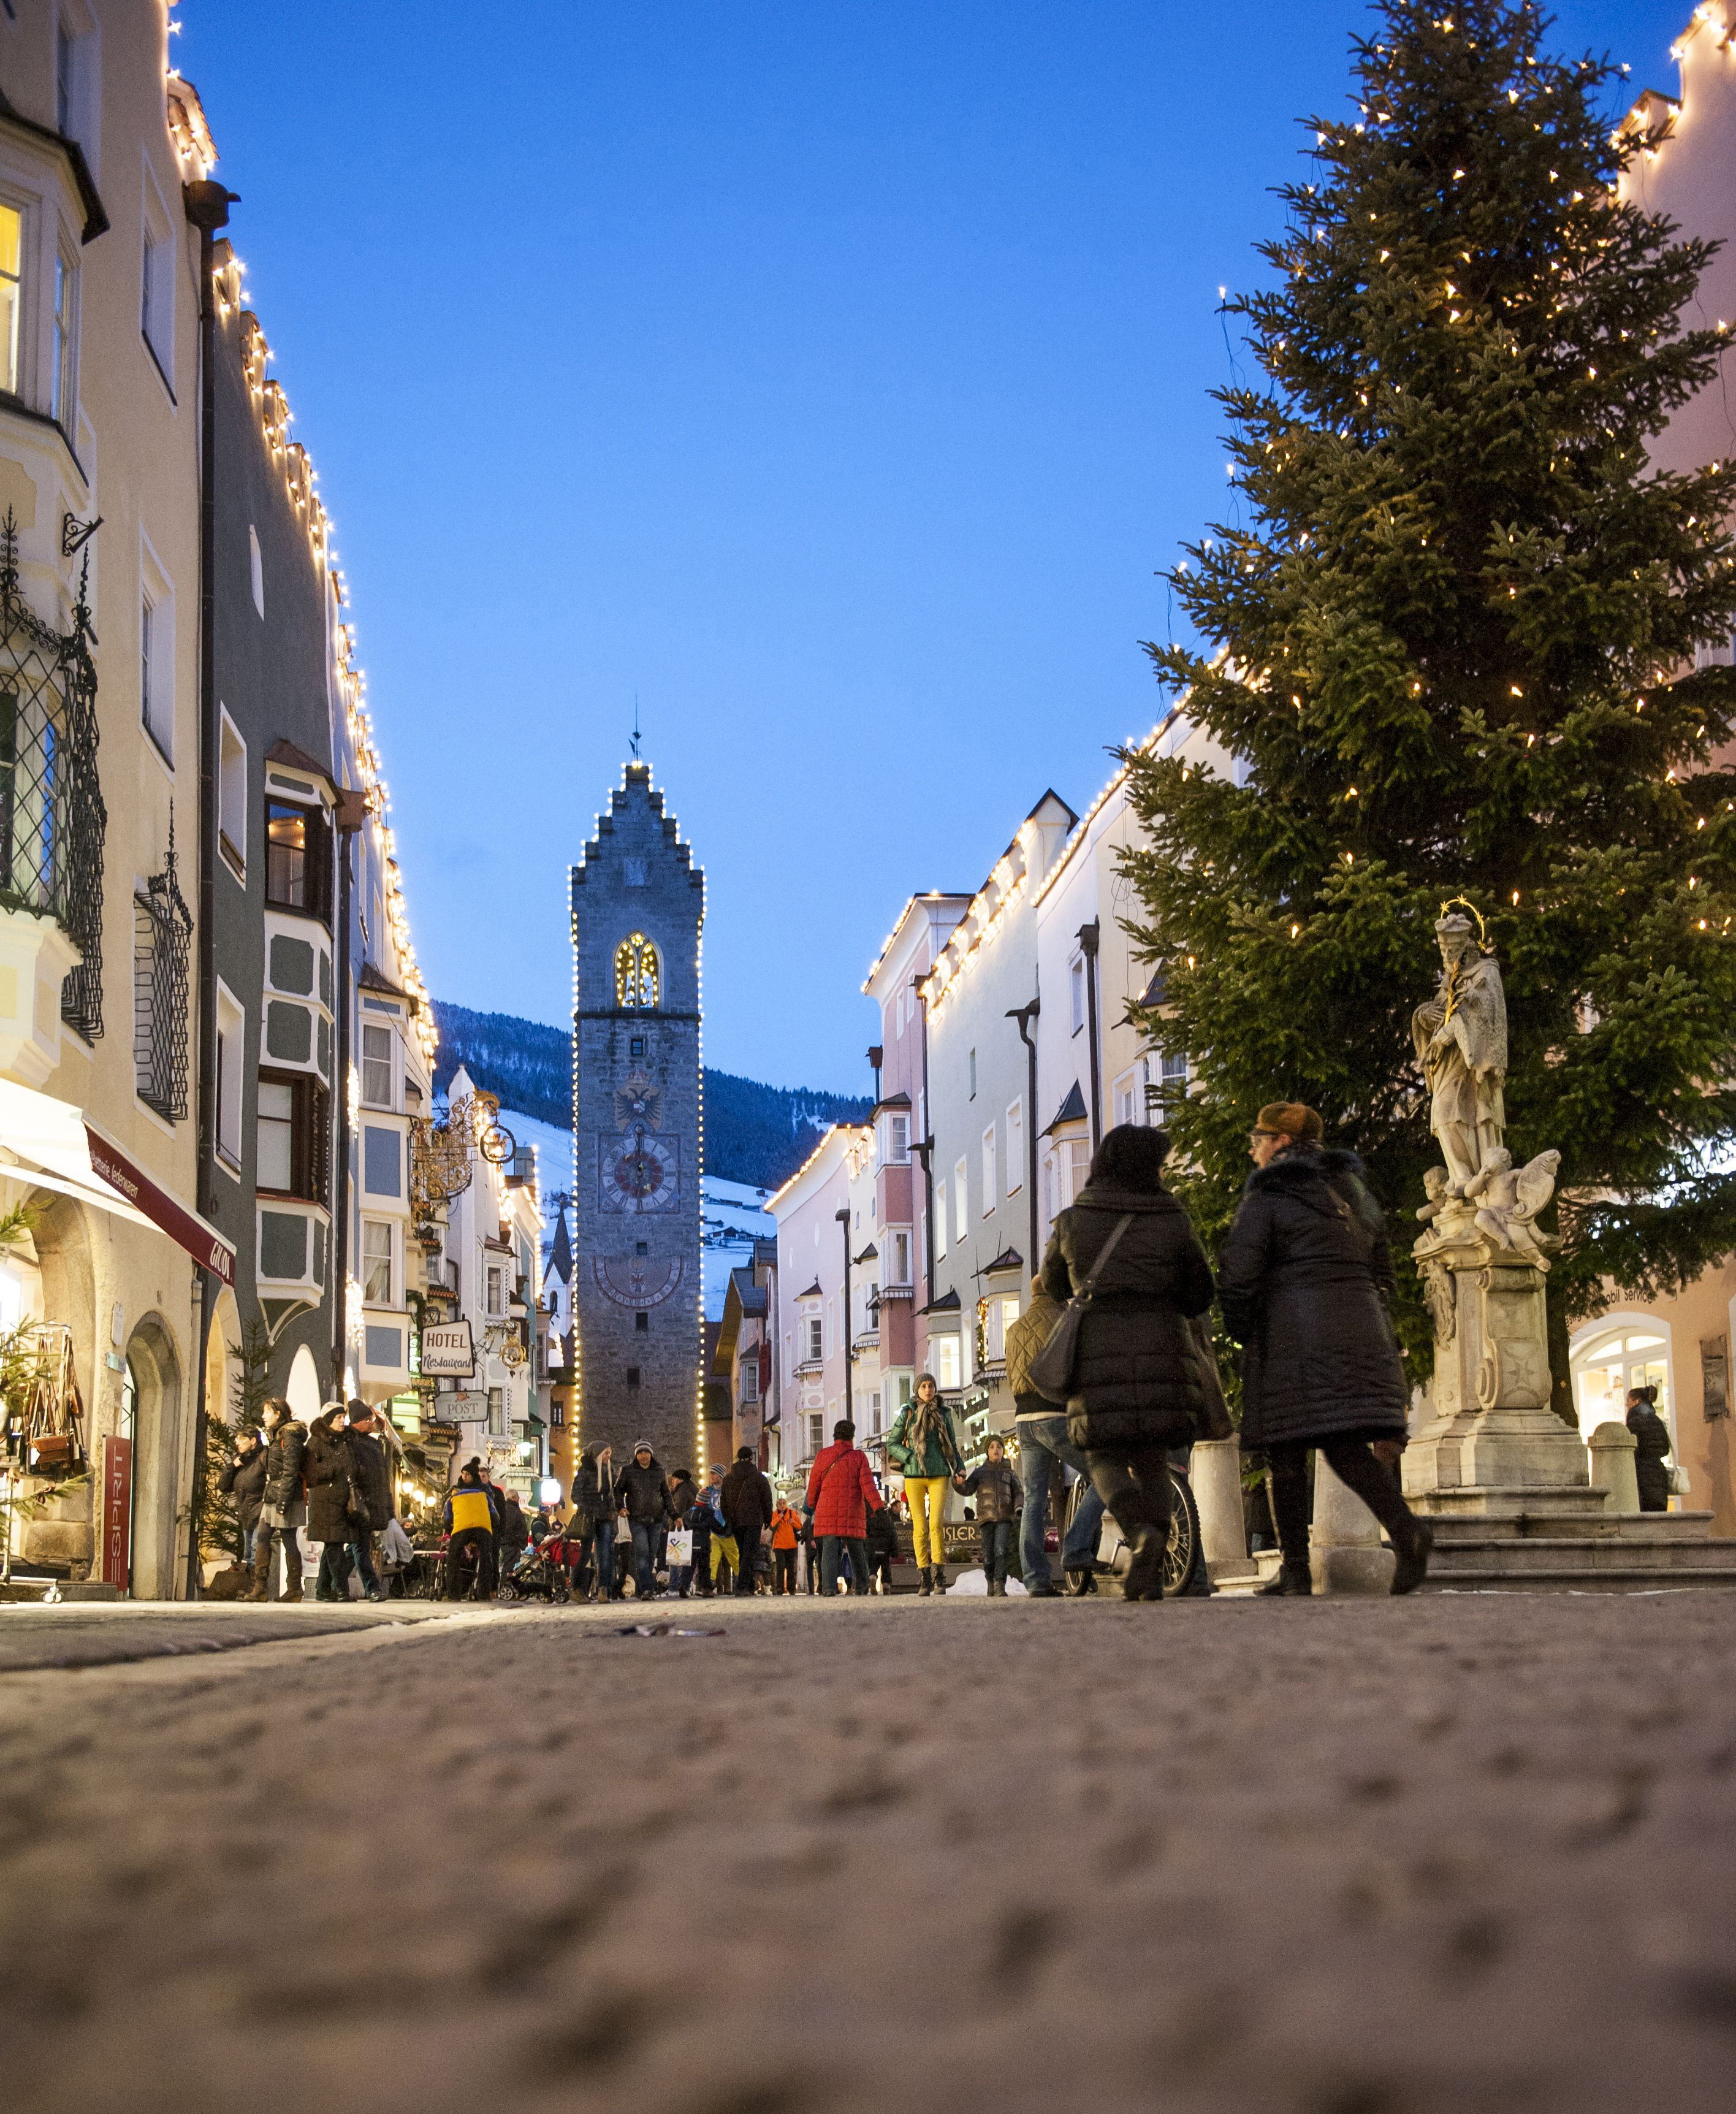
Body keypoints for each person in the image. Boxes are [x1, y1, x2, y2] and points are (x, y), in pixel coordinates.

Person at [1217, 1101, 1433, 1597]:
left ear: (1282, 1144)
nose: (1253, 1149)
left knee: (1285, 1449)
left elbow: (1239, 1274)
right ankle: (1407, 1532)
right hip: (1360, 1330)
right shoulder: (1354, 1191)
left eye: (1259, 1139)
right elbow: (1384, 1273)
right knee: (1344, 1445)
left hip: (1293, 1334)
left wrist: (1242, 1328)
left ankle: (1295, 1568)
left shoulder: (1268, 1196)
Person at [1040, 1123, 1215, 1604]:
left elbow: (1053, 1285)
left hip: (1099, 1350)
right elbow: (1201, 1290)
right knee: (1154, 1458)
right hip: (1163, 1345)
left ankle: (1140, 1532)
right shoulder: (1173, 1218)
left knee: (1104, 1455)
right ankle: (1152, 1551)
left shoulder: (1074, 1221)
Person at [1006, 1286, 1108, 1597]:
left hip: (1023, 1419)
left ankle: (1036, 1579)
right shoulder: (1064, 1320)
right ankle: (1076, 1547)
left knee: (1034, 1499)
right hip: (1055, 1414)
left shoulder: (1014, 1328)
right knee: (1103, 1474)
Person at [887, 1374, 964, 1595]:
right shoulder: (908, 1412)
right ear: (917, 1389)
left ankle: (939, 1577)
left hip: (939, 1471)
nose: (928, 1389)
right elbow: (891, 1443)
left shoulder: (944, 1413)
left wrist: (958, 1466)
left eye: (931, 1386)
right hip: (914, 1474)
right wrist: (909, 1456)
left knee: (936, 1524)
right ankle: (924, 1578)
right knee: (920, 1526)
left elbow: (951, 1442)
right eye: (923, 1386)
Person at [804, 1418, 885, 1596]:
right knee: (857, 1549)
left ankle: (829, 1588)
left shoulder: (823, 1455)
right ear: (852, 1436)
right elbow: (868, 1485)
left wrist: (811, 1504)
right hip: (852, 1510)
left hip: (827, 1509)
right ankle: (862, 1585)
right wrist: (877, 1507)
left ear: (835, 1435)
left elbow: (814, 1484)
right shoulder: (858, 1457)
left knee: (829, 1549)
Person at [305, 1406, 363, 1602]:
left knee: (333, 1545)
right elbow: (308, 1470)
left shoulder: (344, 1440)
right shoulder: (316, 1441)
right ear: (329, 1419)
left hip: (342, 1502)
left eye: (343, 1417)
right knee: (335, 1545)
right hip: (324, 1502)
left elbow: (350, 1467)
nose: (342, 1421)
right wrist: (333, 1468)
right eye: (338, 1417)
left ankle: (322, 1590)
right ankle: (341, 1589)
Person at [956, 1436, 1022, 1595]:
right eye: (992, 1447)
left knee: (1001, 1551)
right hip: (986, 1519)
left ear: (1002, 1450)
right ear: (987, 1450)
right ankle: (990, 1581)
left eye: (999, 1446)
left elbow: (1018, 1492)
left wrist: (1019, 1507)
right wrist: (957, 1482)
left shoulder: (1010, 1472)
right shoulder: (980, 1472)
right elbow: (967, 1489)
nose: (996, 1449)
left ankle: (1000, 1584)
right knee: (988, 1555)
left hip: (1004, 1519)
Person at [341, 1401, 393, 1601]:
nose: (371, 1423)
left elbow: (381, 1478)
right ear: (356, 1421)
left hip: (370, 1504)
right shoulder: (349, 1441)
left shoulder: (373, 1443)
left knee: (353, 1548)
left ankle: (328, 1583)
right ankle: (373, 1588)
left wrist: (386, 1506)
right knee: (360, 1547)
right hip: (358, 1503)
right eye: (367, 1420)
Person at [616, 1440, 672, 1598]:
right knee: (642, 1553)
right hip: (637, 1519)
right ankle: (648, 1588)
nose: (643, 1455)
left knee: (651, 1554)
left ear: (651, 1454)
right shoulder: (628, 1471)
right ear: (636, 1455)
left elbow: (666, 1494)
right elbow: (618, 1490)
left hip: (656, 1519)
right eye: (640, 1453)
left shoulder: (660, 1471)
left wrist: (674, 1515)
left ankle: (642, 1588)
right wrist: (621, 1507)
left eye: (646, 1452)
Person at [721, 1446, 775, 1596]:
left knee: (743, 1551)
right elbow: (767, 1500)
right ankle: (742, 1586)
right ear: (751, 1458)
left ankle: (750, 1586)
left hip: (736, 1521)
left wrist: (728, 1518)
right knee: (749, 1553)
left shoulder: (729, 1479)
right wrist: (767, 1519)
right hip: (753, 1520)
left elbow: (723, 1501)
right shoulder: (759, 1478)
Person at [441, 1462, 500, 1598]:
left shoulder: (455, 1493)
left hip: (462, 1527)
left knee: (453, 1557)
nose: (464, 1476)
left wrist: (450, 1532)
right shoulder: (485, 1492)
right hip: (483, 1527)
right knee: (486, 1558)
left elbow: (447, 1515)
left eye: (467, 1474)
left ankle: (453, 1594)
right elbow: (494, 1514)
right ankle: (483, 1593)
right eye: (463, 1474)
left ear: (473, 1476)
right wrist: (493, 1529)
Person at [569, 1446, 620, 1600]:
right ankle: (577, 1589)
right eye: (606, 1453)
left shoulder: (609, 1471)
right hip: (589, 1517)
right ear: (597, 1454)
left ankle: (603, 1589)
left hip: (605, 1518)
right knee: (585, 1554)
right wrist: (588, 1507)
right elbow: (575, 1494)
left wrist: (613, 1510)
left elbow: (611, 1495)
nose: (608, 1456)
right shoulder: (585, 1471)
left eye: (610, 1453)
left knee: (605, 1554)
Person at [219, 1428, 268, 1568]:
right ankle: (251, 1586)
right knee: (247, 1554)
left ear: (253, 1441)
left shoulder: (263, 1457)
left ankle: (257, 1586)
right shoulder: (241, 1460)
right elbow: (223, 1486)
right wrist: (232, 1466)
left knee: (255, 1550)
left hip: (261, 1511)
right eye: (237, 1439)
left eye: (242, 1439)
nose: (238, 1443)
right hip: (246, 1513)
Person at [1627, 1386, 1674, 1513]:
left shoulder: (1634, 1420)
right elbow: (1665, 1449)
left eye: (1628, 1400)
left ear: (1636, 1402)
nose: (1626, 1404)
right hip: (1659, 1475)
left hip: (1642, 1476)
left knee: (1644, 1520)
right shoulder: (1657, 1420)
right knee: (1659, 1518)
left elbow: (1633, 1450)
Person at [666, 1466, 700, 1595]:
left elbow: (678, 1512)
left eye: (674, 1480)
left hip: (681, 1530)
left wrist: (671, 1528)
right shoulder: (693, 1489)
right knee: (688, 1560)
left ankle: (674, 1587)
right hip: (692, 1529)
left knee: (674, 1558)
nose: (672, 1482)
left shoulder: (682, 1492)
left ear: (680, 1480)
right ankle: (687, 1585)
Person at [864, 1496, 898, 1594]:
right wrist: (895, 1551)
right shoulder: (888, 1521)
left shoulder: (870, 1520)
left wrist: (867, 1549)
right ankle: (886, 1586)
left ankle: (873, 1578)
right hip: (885, 1549)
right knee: (886, 1568)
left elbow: (866, 1535)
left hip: (873, 1549)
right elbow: (893, 1537)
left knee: (873, 1567)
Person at [769, 1494, 801, 1594]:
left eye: (784, 1503)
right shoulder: (775, 1514)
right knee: (780, 1568)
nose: (782, 1505)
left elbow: (800, 1527)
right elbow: (772, 1526)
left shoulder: (793, 1513)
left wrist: (793, 1523)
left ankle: (792, 1589)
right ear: (777, 1506)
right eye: (780, 1504)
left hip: (791, 1545)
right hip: (779, 1545)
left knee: (791, 1568)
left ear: (786, 1504)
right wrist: (779, 1517)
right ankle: (780, 1589)